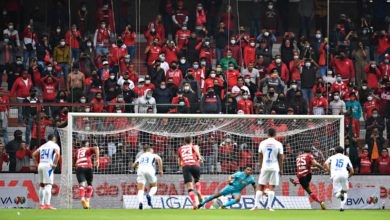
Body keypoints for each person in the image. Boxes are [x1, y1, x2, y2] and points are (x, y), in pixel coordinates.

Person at [252, 128, 284, 211]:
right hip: (274, 167)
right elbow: (281, 157)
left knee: (260, 186)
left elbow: (260, 156)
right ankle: (269, 207)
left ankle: (255, 206)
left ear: (267, 134)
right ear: (275, 134)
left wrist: (261, 166)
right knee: (272, 187)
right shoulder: (278, 144)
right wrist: (281, 169)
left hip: (265, 167)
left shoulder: (262, 143)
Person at [32, 134, 60, 210]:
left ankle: (41, 205)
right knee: (48, 185)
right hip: (48, 166)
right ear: (54, 138)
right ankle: (47, 205)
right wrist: (54, 164)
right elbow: (57, 154)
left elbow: (33, 154)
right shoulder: (55, 145)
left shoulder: (43, 145)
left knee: (42, 185)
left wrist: (36, 164)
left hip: (41, 165)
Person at [132, 145, 163, 210]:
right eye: (152, 150)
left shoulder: (141, 156)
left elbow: (134, 166)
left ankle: (140, 203)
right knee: (154, 186)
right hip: (149, 169)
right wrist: (160, 170)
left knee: (140, 189)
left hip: (140, 170)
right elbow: (159, 159)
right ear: (150, 150)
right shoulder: (153, 155)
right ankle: (149, 195)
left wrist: (139, 167)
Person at [324, 146, 354, 212]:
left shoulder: (332, 157)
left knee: (337, 194)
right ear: (343, 152)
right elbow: (352, 171)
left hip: (335, 175)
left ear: (335, 151)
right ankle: (342, 207)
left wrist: (330, 171)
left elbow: (325, 164)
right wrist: (347, 177)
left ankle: (339, 194)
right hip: (345, 174)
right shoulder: (346, 158)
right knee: (345, 191)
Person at [177, 136, 204, 209]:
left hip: (186, 166)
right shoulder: (194, 146)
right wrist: (199, 157)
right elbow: (197, 150)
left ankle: (194, 203)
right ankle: (198, 191)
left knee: (190, 187)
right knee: (197, 180)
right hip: (195, 165)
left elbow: (179, 163)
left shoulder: (180, 148)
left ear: (184, 141)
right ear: (191, 140)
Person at [75, 140, 100, 209]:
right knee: (89, 185)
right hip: (88, 167)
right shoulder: (88, 149)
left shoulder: (77, 151)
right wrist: (97, 160)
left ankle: (82, 198)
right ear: (87, 145)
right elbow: (96, 148)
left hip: (79, 168)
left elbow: (75, 162)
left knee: (82, 185)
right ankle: (87, 202)